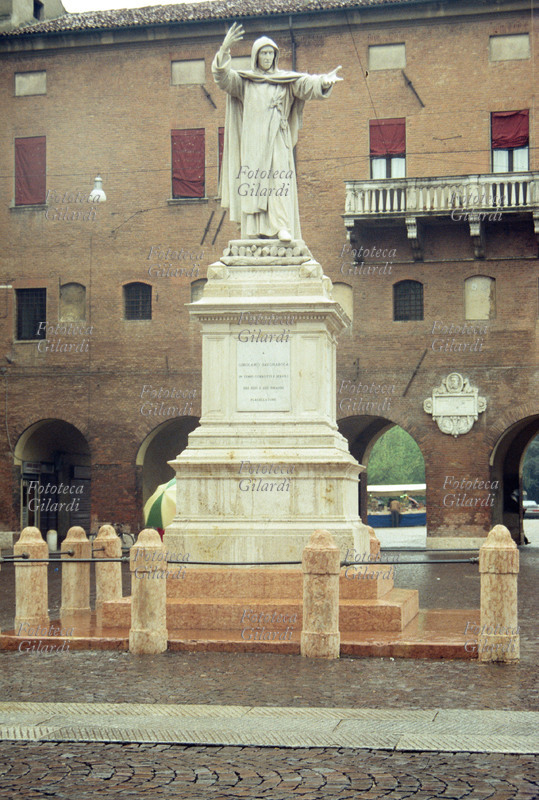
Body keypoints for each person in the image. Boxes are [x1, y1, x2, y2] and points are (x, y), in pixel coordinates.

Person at [212, 22, 342, 242]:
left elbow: (306, 84)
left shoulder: (285, 80)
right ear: (255, 57)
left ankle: (281, 226)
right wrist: (224, 49)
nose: (267, 58)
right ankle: (255, 229)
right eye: (263, 53)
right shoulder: (246, 82)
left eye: (270, 53)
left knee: (280, 183)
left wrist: (323, 82)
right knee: (256, 184)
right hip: (253, 143)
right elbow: (223, 79)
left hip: (278, 140)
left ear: (275, 56)